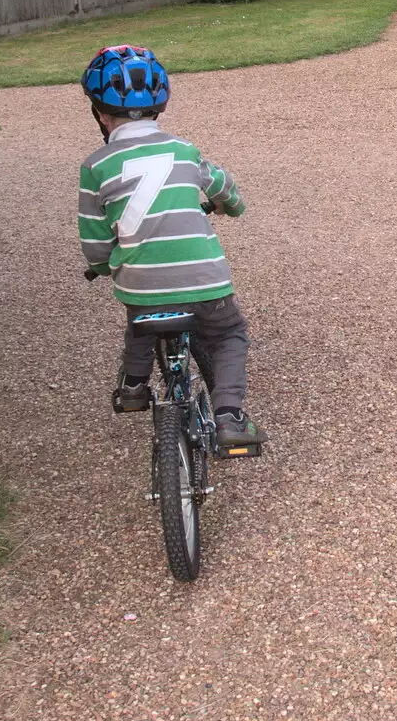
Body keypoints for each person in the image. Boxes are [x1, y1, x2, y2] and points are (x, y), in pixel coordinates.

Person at [77, 45, 267, 450]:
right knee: (230, 333)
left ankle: (133, 387)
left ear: (99, 114)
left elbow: (94, 243)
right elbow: (224, 188)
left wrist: (102, 264)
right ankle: (230, 415)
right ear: (159, 109)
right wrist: (231, 205)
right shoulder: (184, 152)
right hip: (206, 282)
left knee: (142, 314)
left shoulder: (95, 166)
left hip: (142, 289)